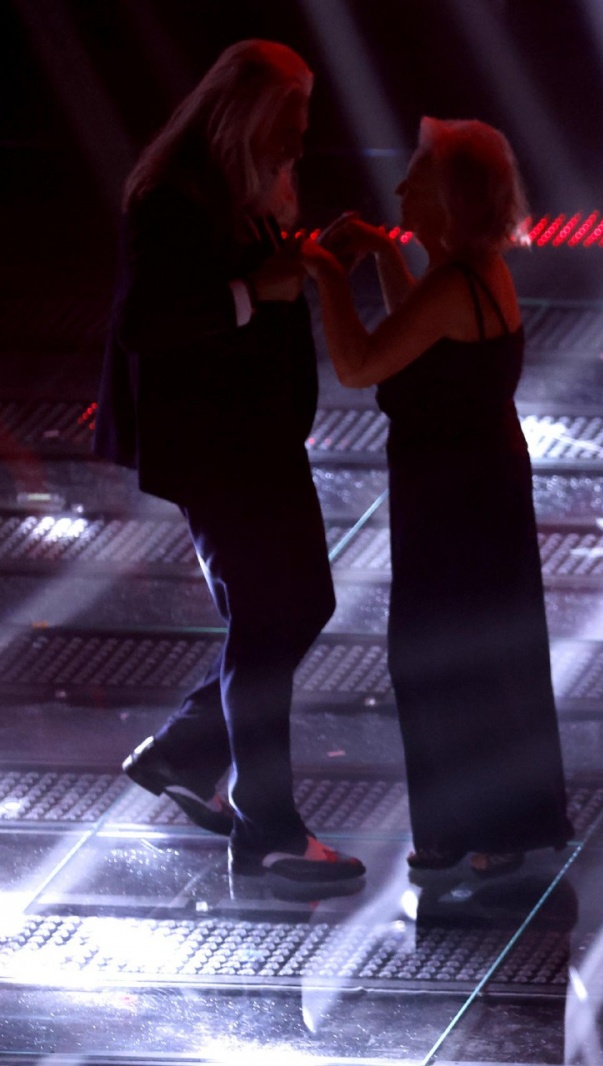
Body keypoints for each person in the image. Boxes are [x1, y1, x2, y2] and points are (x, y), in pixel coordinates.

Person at [93, 40, 364, 883]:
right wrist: (256, 295)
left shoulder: (238, 183)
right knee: (269, 617)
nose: (303, 137)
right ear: (250, 113)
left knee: (296, 605)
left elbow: (251, 277)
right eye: (293, 119)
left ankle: (185, 752)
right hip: (217, 443)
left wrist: (306, 259)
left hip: (254, 435)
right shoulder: (174, 200)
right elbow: (150, 320)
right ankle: (268, 825)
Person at [301, 117, 573, 876]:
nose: (398, 189)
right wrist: (388, 251)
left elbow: (360, 363)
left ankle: (475, 830)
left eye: (415, 179)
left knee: (441, 663)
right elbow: (420, 337)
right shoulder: (472, 274)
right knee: (475, 660)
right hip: (476, 491)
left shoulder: (458, 286)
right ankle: (479, 827)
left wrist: (326, 273)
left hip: (455, 505)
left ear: (449, 198)